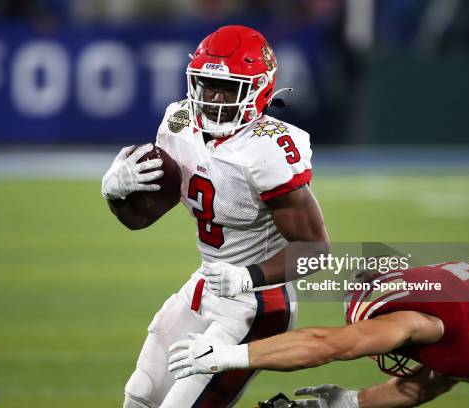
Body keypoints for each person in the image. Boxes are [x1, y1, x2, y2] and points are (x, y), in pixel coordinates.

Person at [101, 25, 330, 407]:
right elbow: (139, 220)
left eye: (230, 88)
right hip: (206, 282)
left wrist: (246, 275)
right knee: (140, 393)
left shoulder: (268, 148)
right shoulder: (178, 122)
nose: (215, 98)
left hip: (258, 300)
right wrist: (115, 194)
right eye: (208, 85)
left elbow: (315, 250)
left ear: (259, 89)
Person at [168, 262, 469, 407]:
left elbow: (327, 346)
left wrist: (225, 356)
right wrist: (351, 403)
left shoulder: (411, 317)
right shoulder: (451, 291)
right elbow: (431, 382)